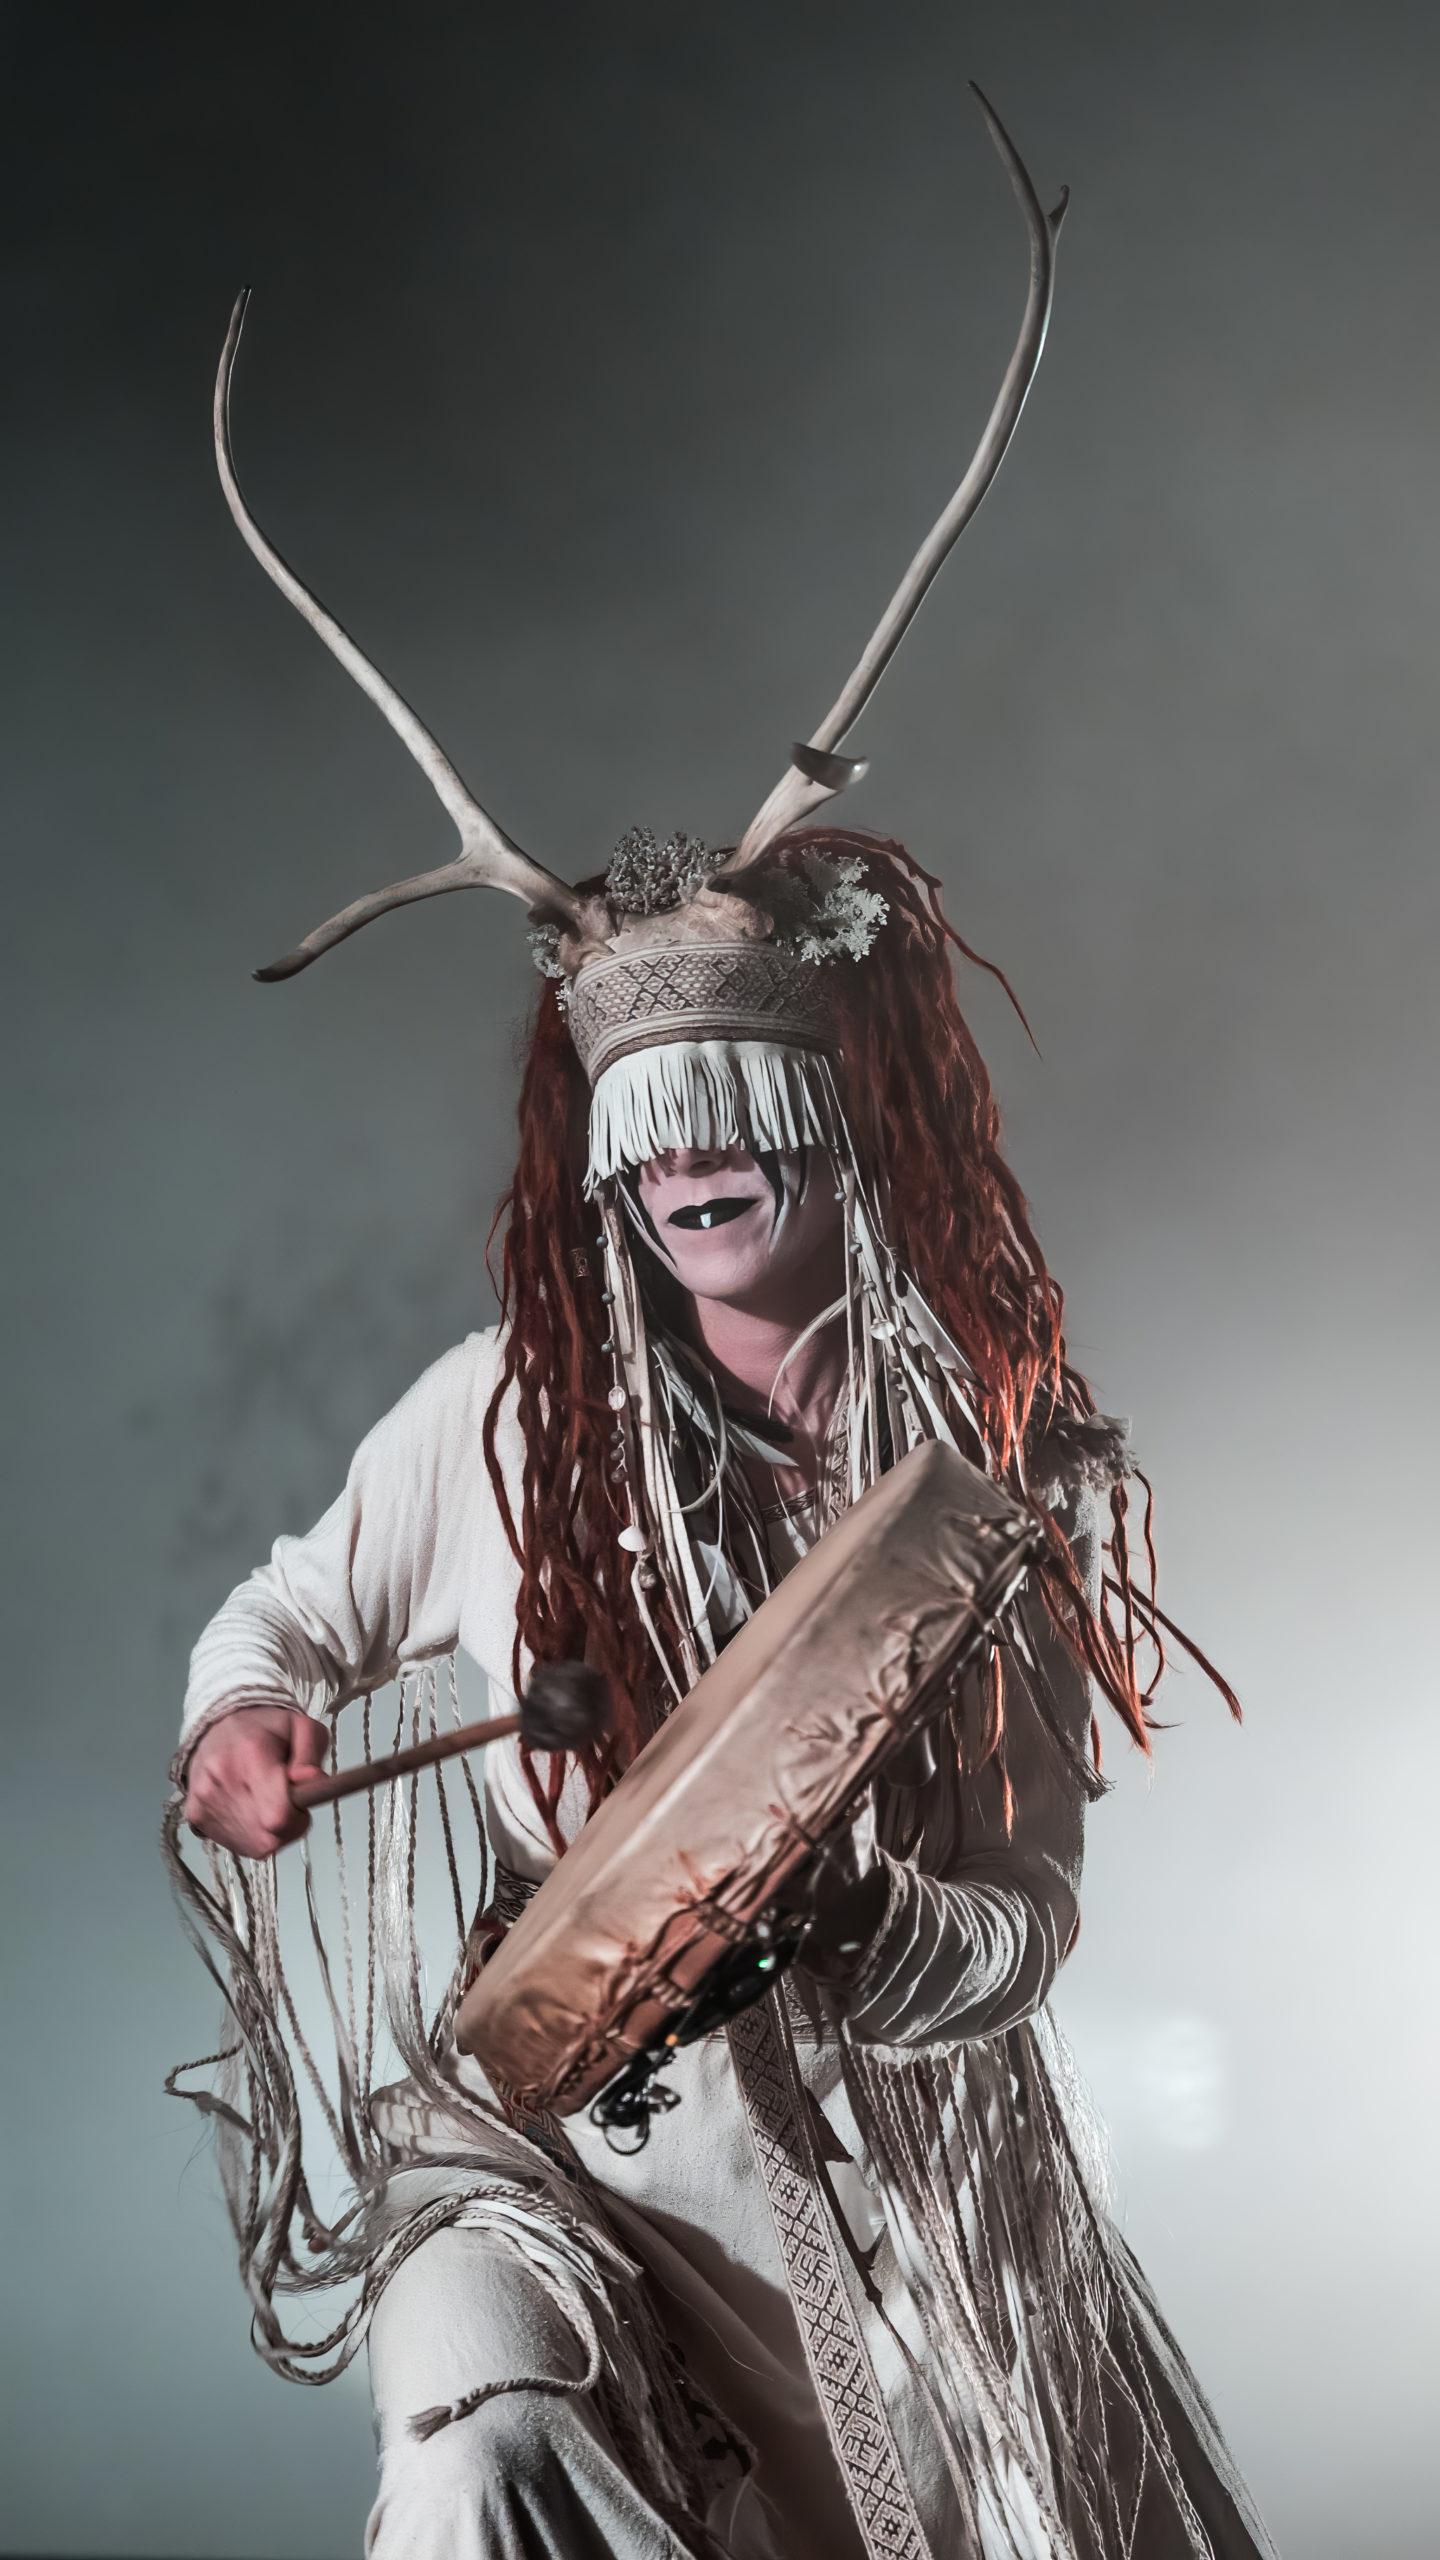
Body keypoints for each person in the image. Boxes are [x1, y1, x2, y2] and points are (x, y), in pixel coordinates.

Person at [168, 98, 1277, 2560]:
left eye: (733, 1117)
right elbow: (285, 1612)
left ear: (832, 1125)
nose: (685, 1168)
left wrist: (859, 1920)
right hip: (555, 2154)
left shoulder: (975, 1492)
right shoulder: (503, 1426)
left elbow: (1022, 1926)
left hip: (899, 2197)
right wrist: (245, 1720)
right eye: (642, 1134)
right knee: (473, 2452)